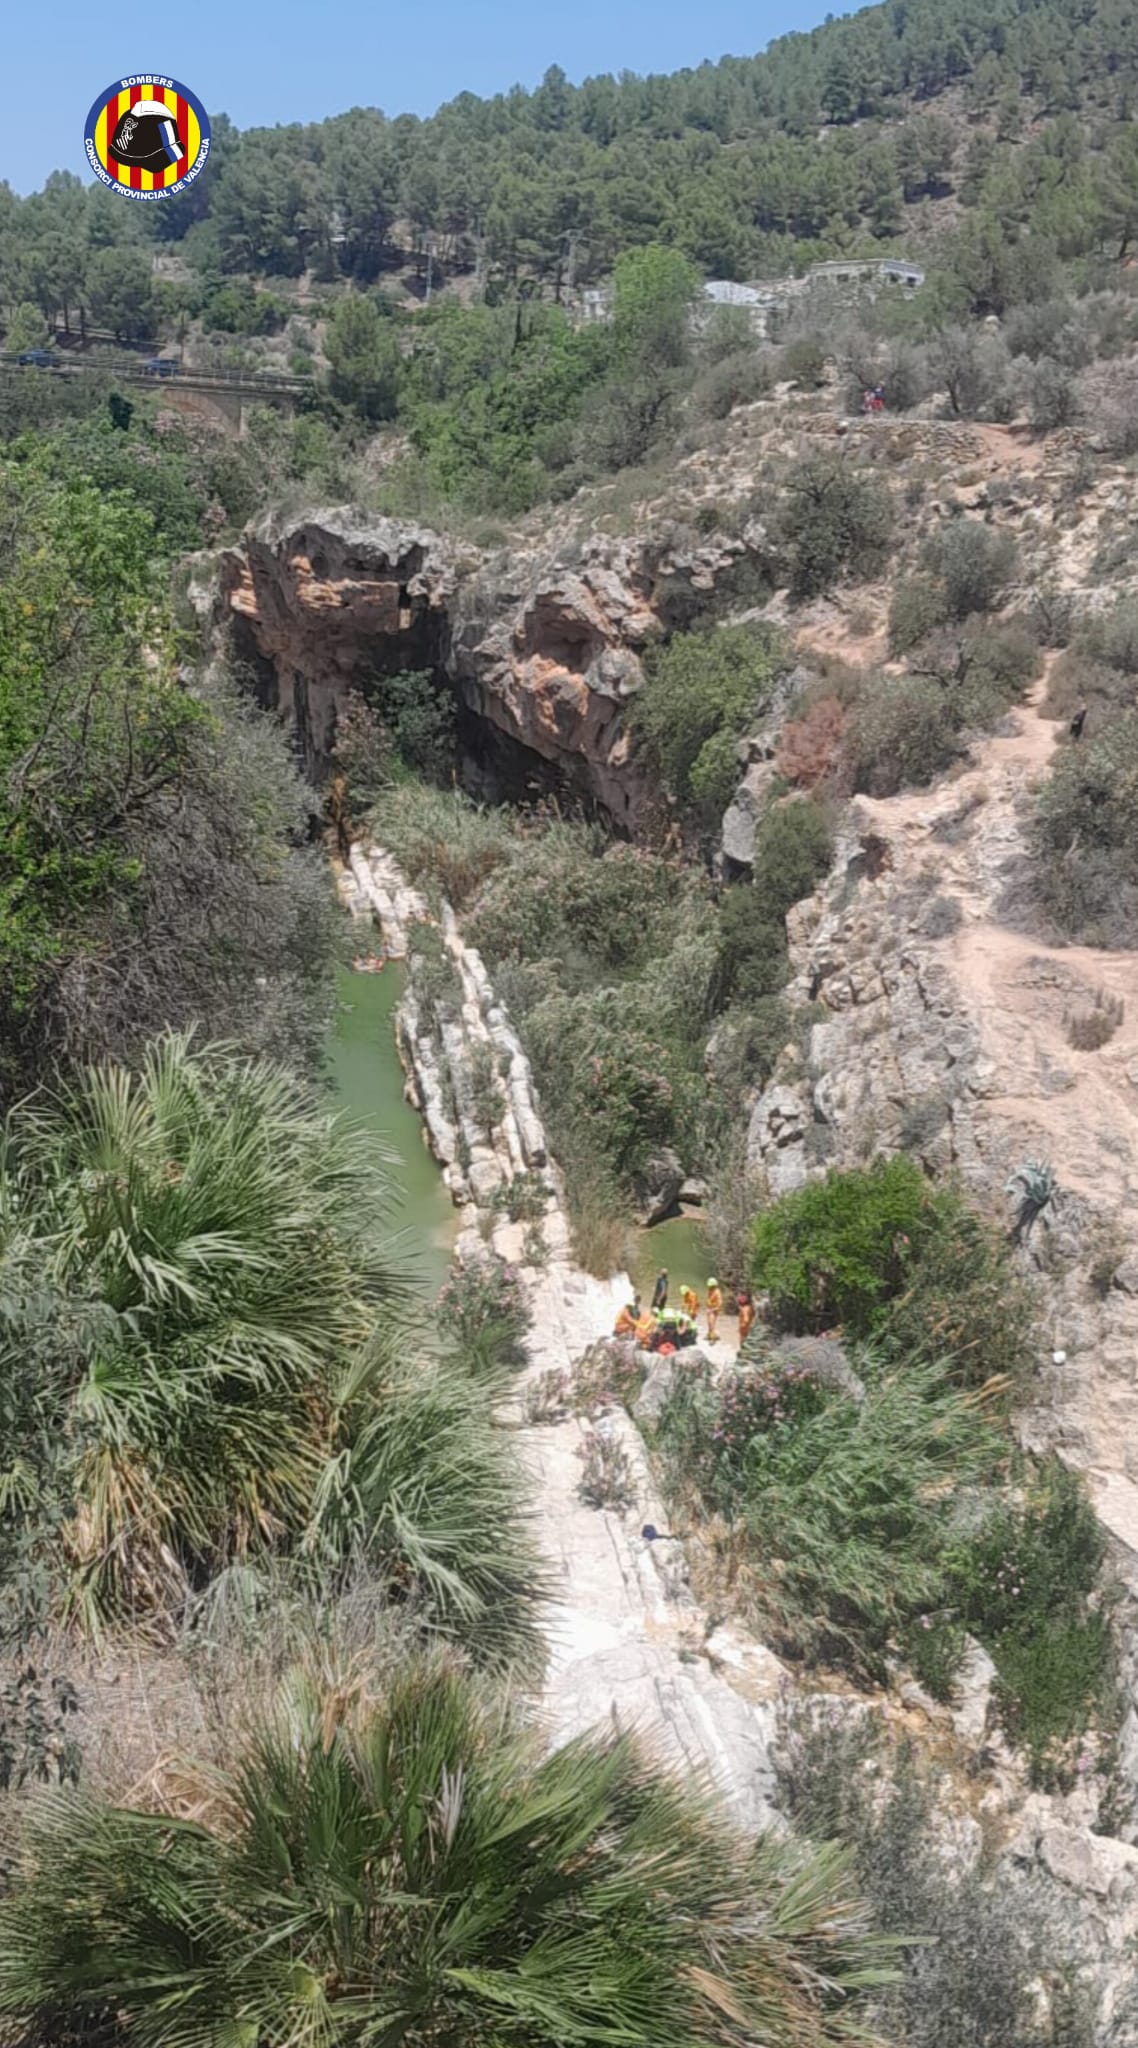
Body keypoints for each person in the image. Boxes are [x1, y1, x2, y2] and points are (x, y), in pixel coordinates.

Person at [705, 1278, 724, 1343]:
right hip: (709, 1308)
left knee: (712, 1323)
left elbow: (720, 1302)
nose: (709, 1287)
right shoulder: (710, 1290)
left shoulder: (717, 1292)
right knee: (709, 1323)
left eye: (711, 1286)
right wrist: (707, 1308)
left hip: (714, 1309)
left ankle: (713, 1339)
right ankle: (709, 1335)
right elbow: (708, 1298)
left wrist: (714, 1309)